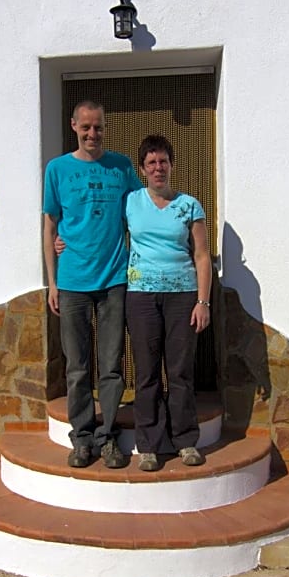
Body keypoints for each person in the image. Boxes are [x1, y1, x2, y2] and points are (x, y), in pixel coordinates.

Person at [42, 100, 143, 469]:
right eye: (85, 127)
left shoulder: (121, 166)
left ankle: (108, 437)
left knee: (111, 365)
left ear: (105, 126)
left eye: (98, 127)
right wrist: (52, 282)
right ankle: (82, 438)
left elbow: (139, 212)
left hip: (115, 280)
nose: (92, 134)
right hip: (71, 283)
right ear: (73, 126)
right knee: (77, 367)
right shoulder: (57, 169)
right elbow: (50, 227)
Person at [125, 134, 212, 472]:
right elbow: (104, 233)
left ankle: (186, 440)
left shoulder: (189, 205)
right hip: (141, 296)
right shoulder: (131, 201)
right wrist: (63, 240)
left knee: (180, 371)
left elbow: (202, 256)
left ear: (172, 165)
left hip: (182, 296)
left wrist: (203, 301)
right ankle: (148, 444)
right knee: (146, 372)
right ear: (143, 169)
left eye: (163, 161)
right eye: (151, 163)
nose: (158, 168)